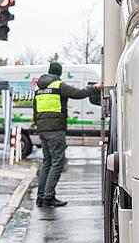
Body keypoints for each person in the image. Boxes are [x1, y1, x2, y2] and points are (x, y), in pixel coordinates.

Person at [33, 62, 102, 207]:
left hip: (43, 130)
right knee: (57, 162)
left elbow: (35, 109)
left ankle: (41, 197)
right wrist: (94, 87)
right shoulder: (58, 85)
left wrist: (39, 126)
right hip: (55, 129)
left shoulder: (39, 88)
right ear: (59, 73)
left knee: (47, 162)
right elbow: (78, 93)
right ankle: (48, 197)